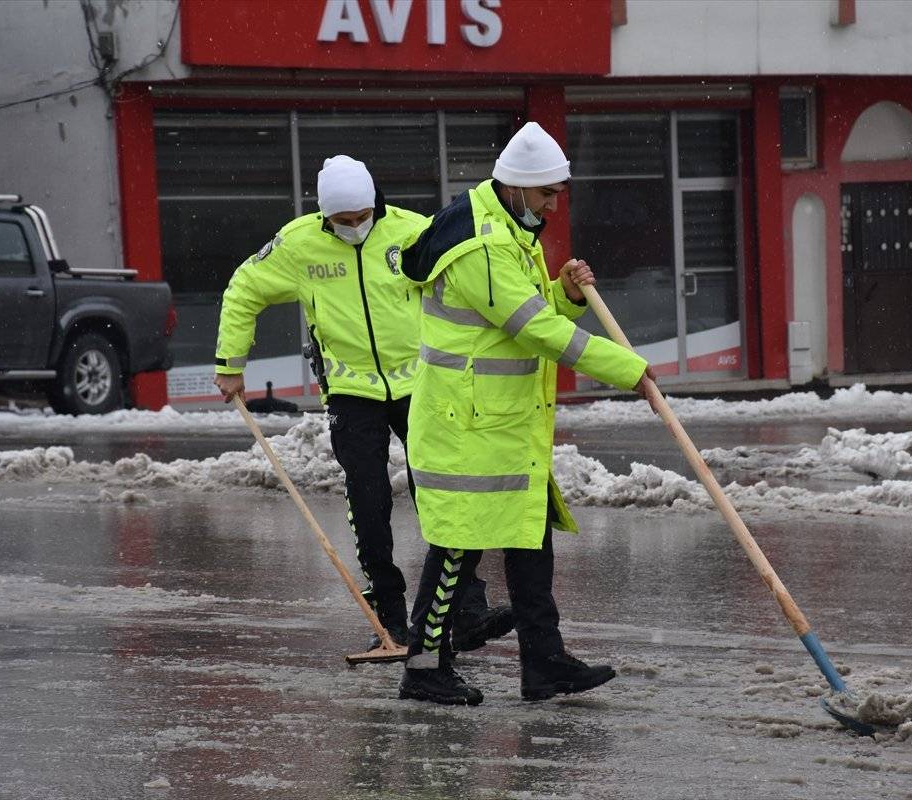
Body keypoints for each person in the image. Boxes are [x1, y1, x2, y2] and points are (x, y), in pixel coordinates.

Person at [396, 123, 657, 705]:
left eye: (558, 194)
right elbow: (534, 329)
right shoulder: (482, 246)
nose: (553, 206)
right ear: (515, 185)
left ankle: (545, 664)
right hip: (466, 430)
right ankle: (424, 667)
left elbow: (526, 313)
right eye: (546, 194)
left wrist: (565, 293)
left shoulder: (509, 228)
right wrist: (626, 368)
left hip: (502, 424)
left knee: (530, 544)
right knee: (457, 550)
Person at [213, 155, 513, 654]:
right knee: (368, 501)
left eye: (362, 217)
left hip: (421, 382)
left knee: (440, 493)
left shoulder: (412, 231)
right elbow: (244, 288)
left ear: (377, 205)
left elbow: (467, 279)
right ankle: (389, 618)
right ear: (324, 215)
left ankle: (465, 606)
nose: (354, 227)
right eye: (343, 220)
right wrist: (230, 362)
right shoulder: (297, 245)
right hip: (350, 391)